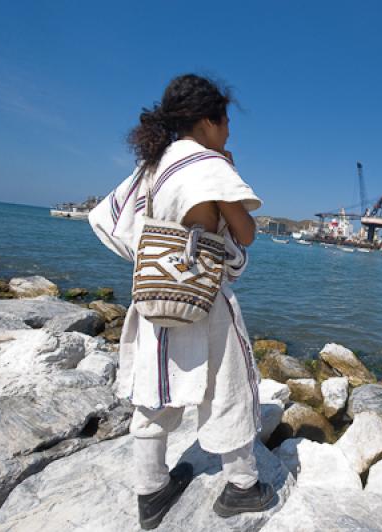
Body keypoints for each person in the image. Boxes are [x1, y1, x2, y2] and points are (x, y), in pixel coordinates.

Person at [88, 74, 275, 530]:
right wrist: (225, 171)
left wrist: (159, 260)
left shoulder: (154, 164)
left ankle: (151, 491)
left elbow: (110, 220)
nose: (229, 131)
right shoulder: (209, 167)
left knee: (155, 390)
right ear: (208, 122)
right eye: (226, 122)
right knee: (228, 387)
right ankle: (242, 486)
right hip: (203, 297)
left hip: (155, 295)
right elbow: (246, 234)